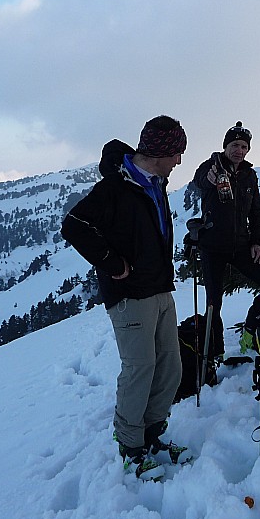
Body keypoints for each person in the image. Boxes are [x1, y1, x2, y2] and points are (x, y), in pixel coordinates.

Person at [61, 115, 190, 480]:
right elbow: (73, 225)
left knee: (170, 365)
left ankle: (152, 434)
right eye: (177, 153)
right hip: (131, 295)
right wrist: (111, 262)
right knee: (139, 369)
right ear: (160, 151)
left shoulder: (155, 182)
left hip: (160, 288)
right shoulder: (116, 187)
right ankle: (131, 446)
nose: (179, 161)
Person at [191, 122, 260, 361]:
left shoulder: (249, 175)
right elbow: (199, 180)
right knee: (213, 303)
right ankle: (215, 352)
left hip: (242, 245)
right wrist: (208, 179)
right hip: (212, 246)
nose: (239, 150)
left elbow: (256, 211)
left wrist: (257, 242)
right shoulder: (210, 167)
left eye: (243, 146)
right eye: (234, 145)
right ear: (225, 146)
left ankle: (252, 329)